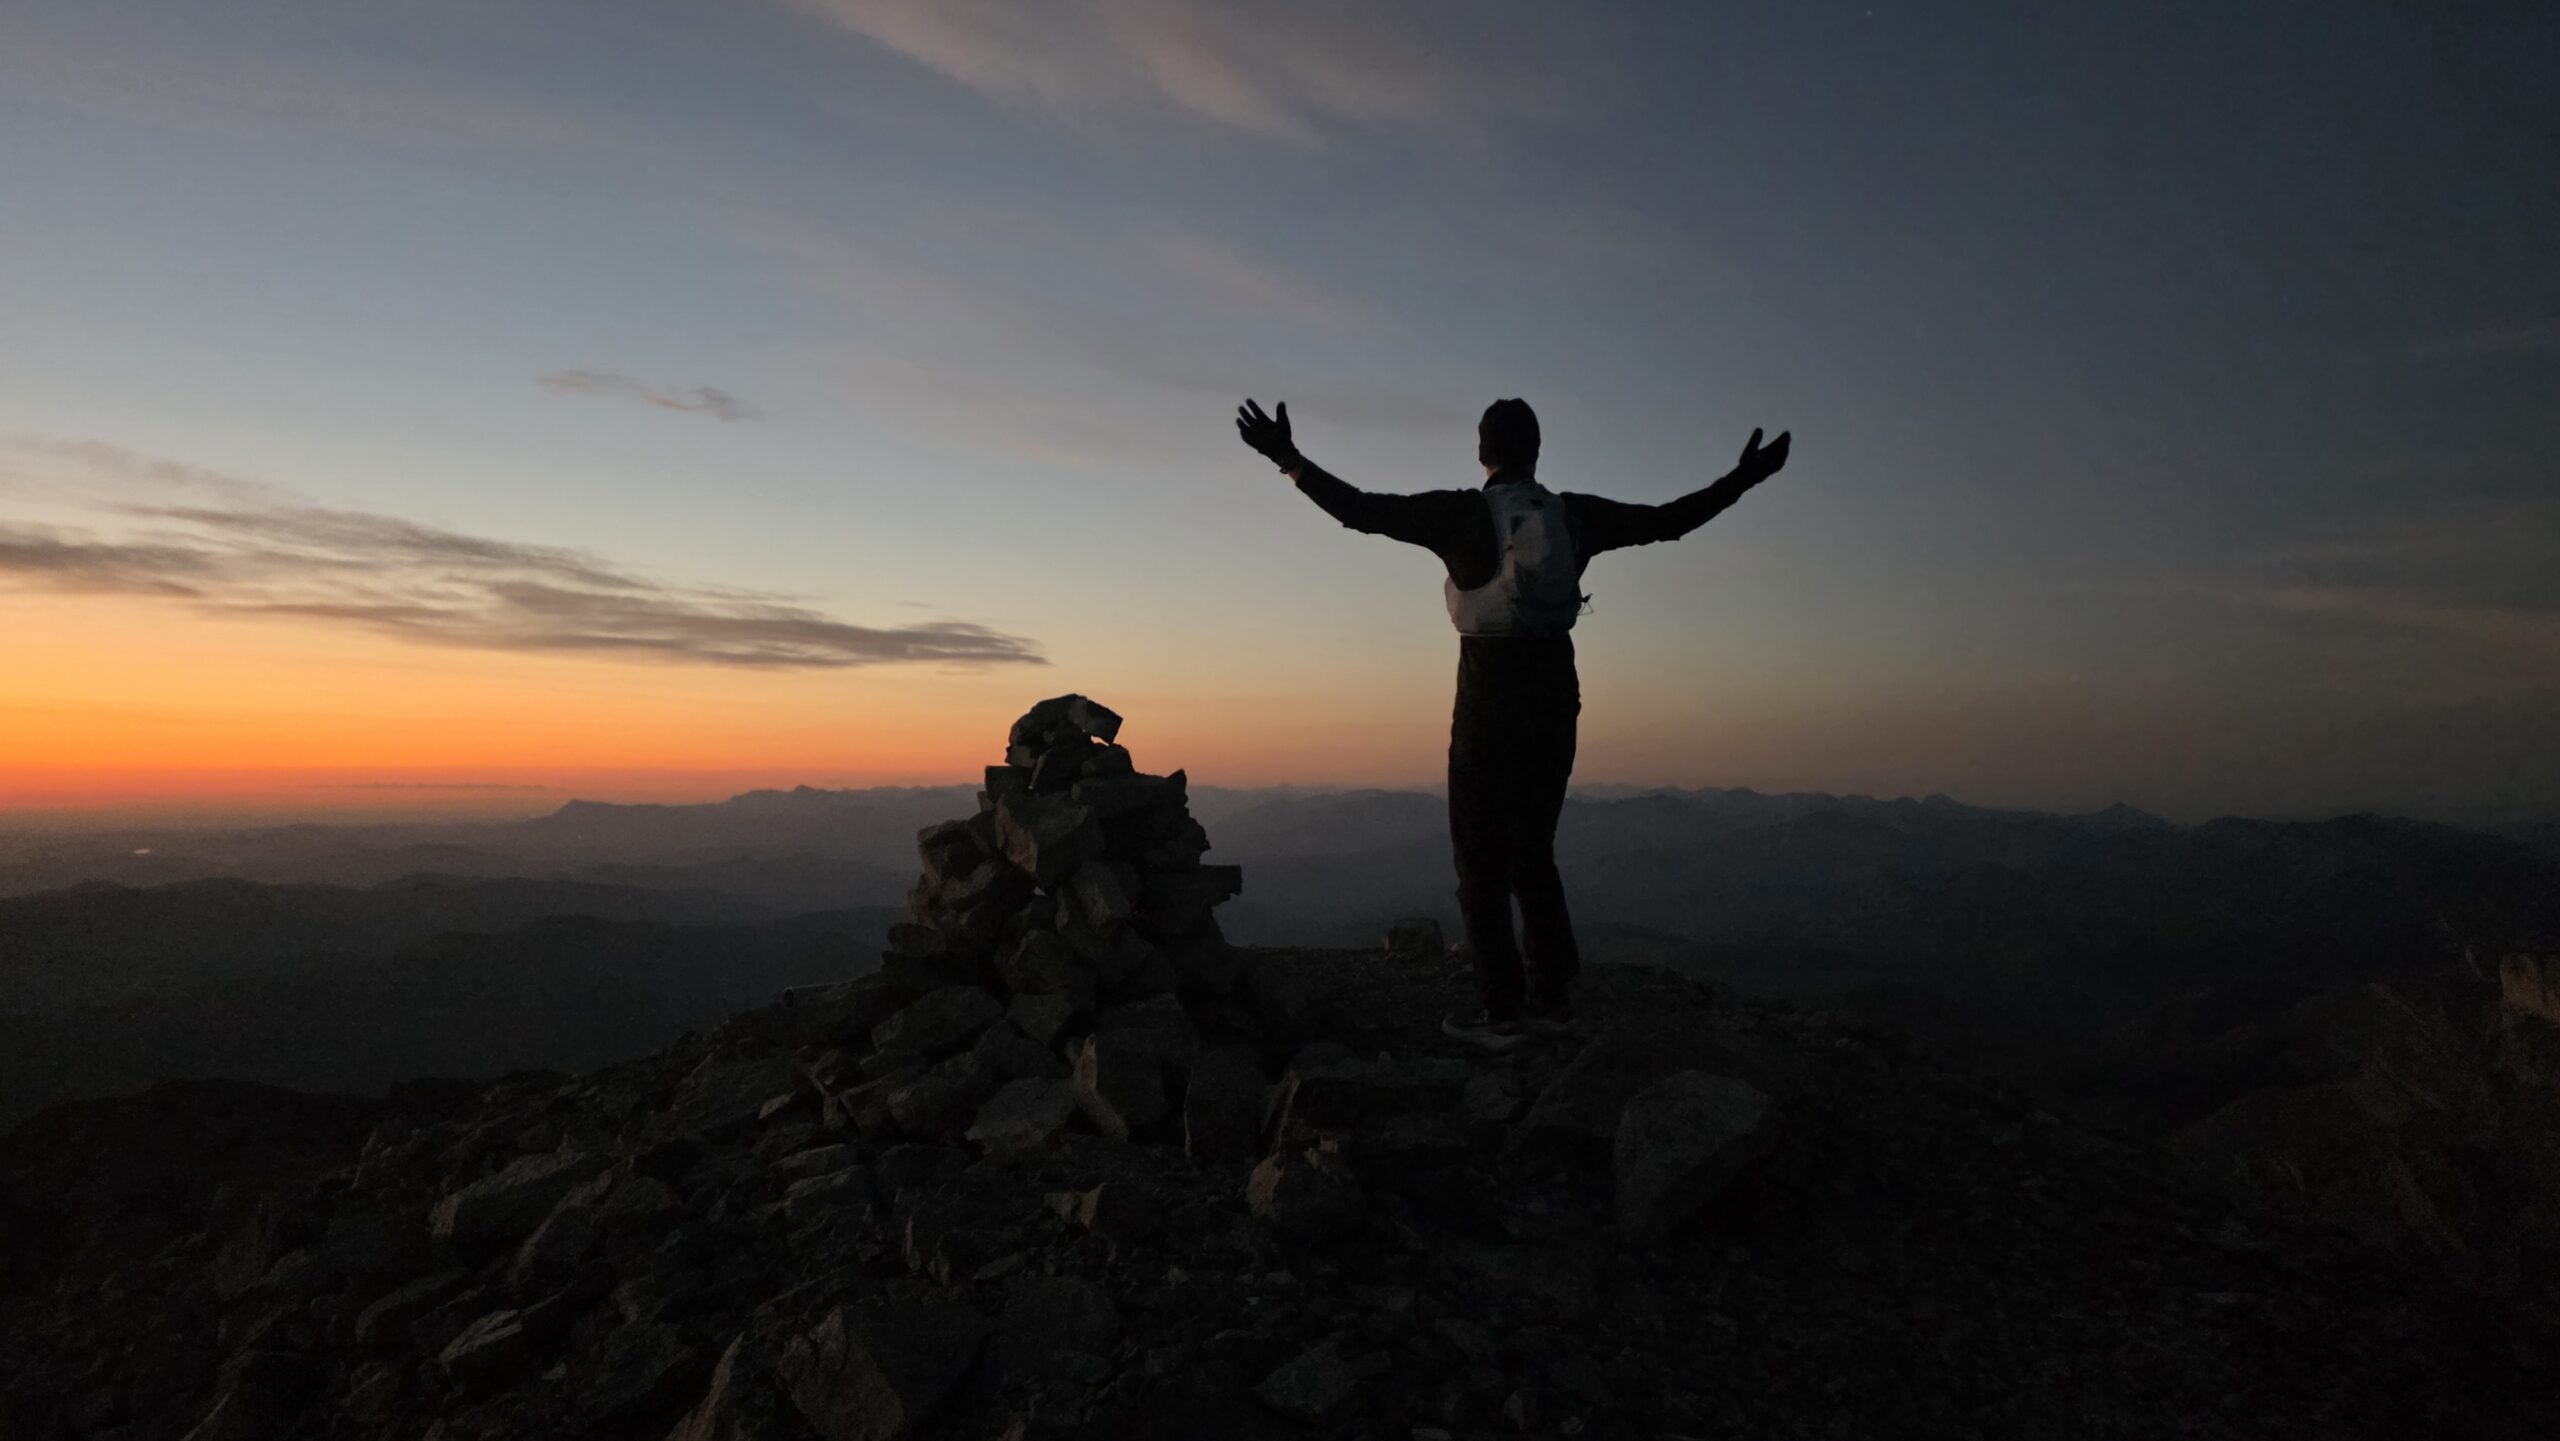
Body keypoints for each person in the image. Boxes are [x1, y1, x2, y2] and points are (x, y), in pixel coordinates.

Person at [1236, 396, 1791, 1051]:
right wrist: (1744, 478)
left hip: (1488, 702)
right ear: (1536, 452)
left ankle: (1502, 1011)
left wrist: (1287, 460)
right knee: (1534, 852)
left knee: (1480, 861)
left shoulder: (1460, 513)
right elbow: (1668, 521)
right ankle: (1553, 1000)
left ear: (1482, 453)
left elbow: (1362, 510)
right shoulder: (1572, 516)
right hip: (1557, 699)